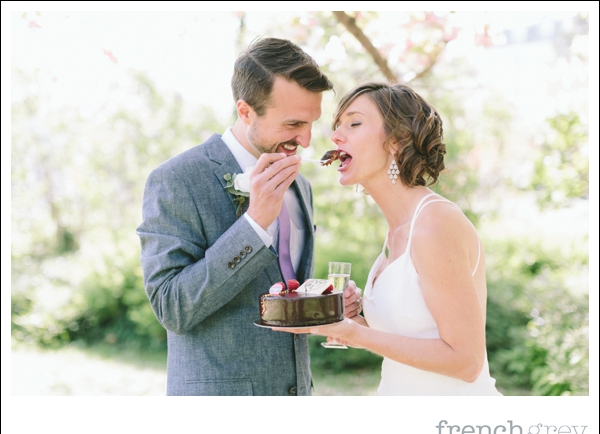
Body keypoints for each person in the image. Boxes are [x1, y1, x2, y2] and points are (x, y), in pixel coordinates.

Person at [136, 37, 362, 396]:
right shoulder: (177, 179)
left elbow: (281, 287)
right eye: (292, 124)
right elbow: (172, 307)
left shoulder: (301, 186)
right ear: (245, 112)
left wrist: (327, 304)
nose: (305, 140)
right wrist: (254, 224)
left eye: (310, 123)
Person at [274, 82, 502, 395]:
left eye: (354, 123)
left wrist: (353, 334)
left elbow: (465, 361)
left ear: (396, 140)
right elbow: (413, 340)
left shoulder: (435, 224)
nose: (336, 137)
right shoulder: (397, 230)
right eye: (337, 127)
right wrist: (353, 322)